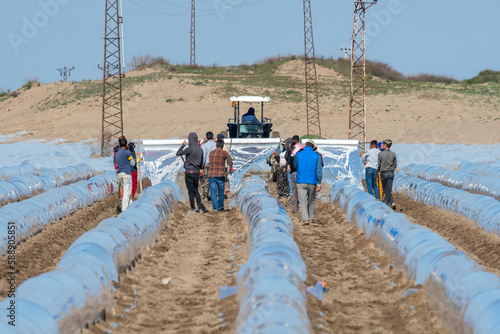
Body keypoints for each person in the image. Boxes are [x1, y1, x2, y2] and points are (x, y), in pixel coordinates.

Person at [176, 132, 207, 213]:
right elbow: (201, 163)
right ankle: (200, 208)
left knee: (190, 191)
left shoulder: (189, 149)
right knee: (196, 190)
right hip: (196, 172)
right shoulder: (200, 149)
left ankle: (193, 208)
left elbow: (178, 153)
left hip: (189, 172)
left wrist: (183, 145)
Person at [294, 140, 322, 226]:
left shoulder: (298, 154)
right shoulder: (317, 155)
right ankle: (310, 218)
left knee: (302, 201)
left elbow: (295, 165)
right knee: (311, 201)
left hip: (301, 180)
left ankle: (305, 219)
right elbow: (319, 171)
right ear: (313, 147)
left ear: (305, 145)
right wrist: (319, 183)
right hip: (312, 181)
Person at [209, 139, 233, 211]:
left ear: (216, 146)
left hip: (212, 174)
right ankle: (220, 207)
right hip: (220, 174)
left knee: (213, 191)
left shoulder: (211, 153)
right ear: (222, 146)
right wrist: (231, 167)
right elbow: (230, 160)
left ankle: (215, 207)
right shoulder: (224, 152)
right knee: (221, 191)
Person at [284, 135, 303, 213]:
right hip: (300, 172)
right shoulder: (300, 149)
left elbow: (287, 157)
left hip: (293, 171)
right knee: (301, 190)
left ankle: (294, 207)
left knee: (293, 190)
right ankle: (300, 207)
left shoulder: (291, 149)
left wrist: (288, 165)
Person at [115, 138, 135, 211]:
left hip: (120, 174)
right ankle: (124, 209)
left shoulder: (117, 153)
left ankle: (130, 207)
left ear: (119, 145)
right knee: (127, 192)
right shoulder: (127, 153)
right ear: (126, 144)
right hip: (127, 173)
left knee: (126, 190)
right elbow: (132, 162)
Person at [378, 139, 397, 209]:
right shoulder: (393, 154)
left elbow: (379, 163)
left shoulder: (380, 154)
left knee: (385, 188)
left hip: (384, 172)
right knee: (388, 188)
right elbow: (395, 164)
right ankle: (392, 202)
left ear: (385, 145)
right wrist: (391, 169)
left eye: (383, 144)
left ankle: (385, 204)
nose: (382, 145)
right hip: (391, 172)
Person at [201, 131, 217, 201]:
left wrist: (202, 164)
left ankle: (205, 195)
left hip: (208, 164)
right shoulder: (216, 144)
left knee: (206, 180)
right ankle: (215, 194)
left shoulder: (204, 146)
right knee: (216, 179)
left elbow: (203, 156)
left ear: (206, 137)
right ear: (213, 137)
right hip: (216, 164)